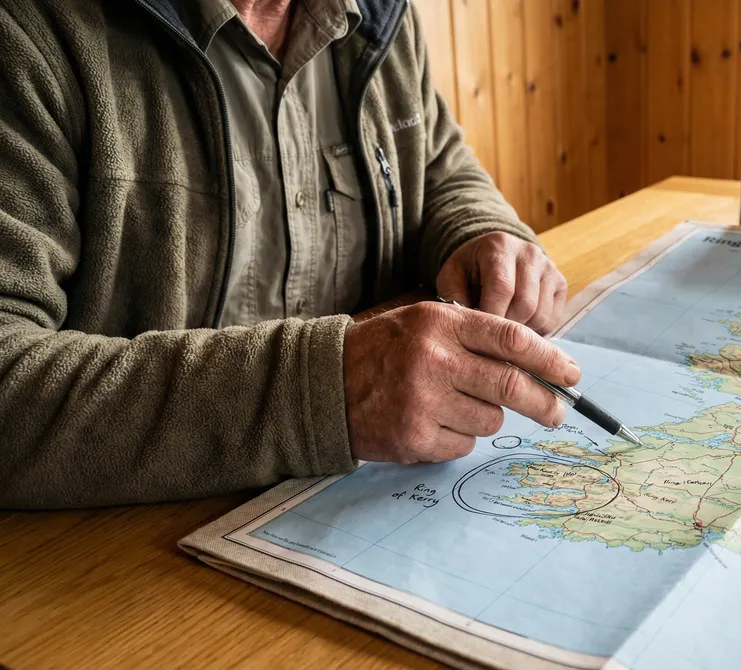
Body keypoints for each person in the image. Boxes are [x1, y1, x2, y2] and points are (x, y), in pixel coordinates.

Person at [0, 0, 579, 509]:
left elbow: (436, 159)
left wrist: (479, 228)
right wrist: (325, 391)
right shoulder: (29, 33)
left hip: (360, 507)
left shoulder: (379, 14)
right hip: (125, 558)